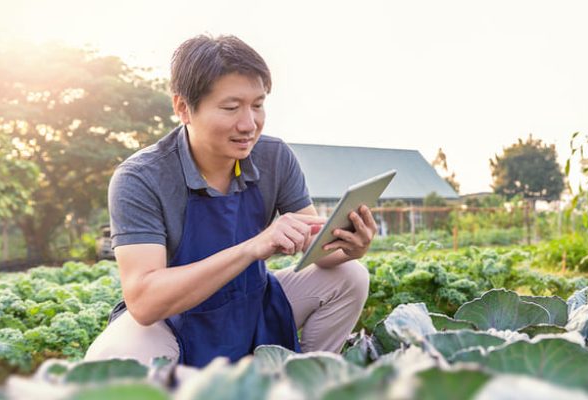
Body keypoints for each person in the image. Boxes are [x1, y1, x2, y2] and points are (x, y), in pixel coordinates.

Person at [84, 35, 375, 368]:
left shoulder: (274, 157)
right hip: (172, 321)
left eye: (257, 105)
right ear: (183, 108)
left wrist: (351, 246)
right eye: (231, 107)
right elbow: (145, 301)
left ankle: (303, 382)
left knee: (350, 275)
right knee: (116, 356)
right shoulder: (141, 178)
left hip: (253, 304)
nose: (249, 124)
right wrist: (253, 247)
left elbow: (317, 249)